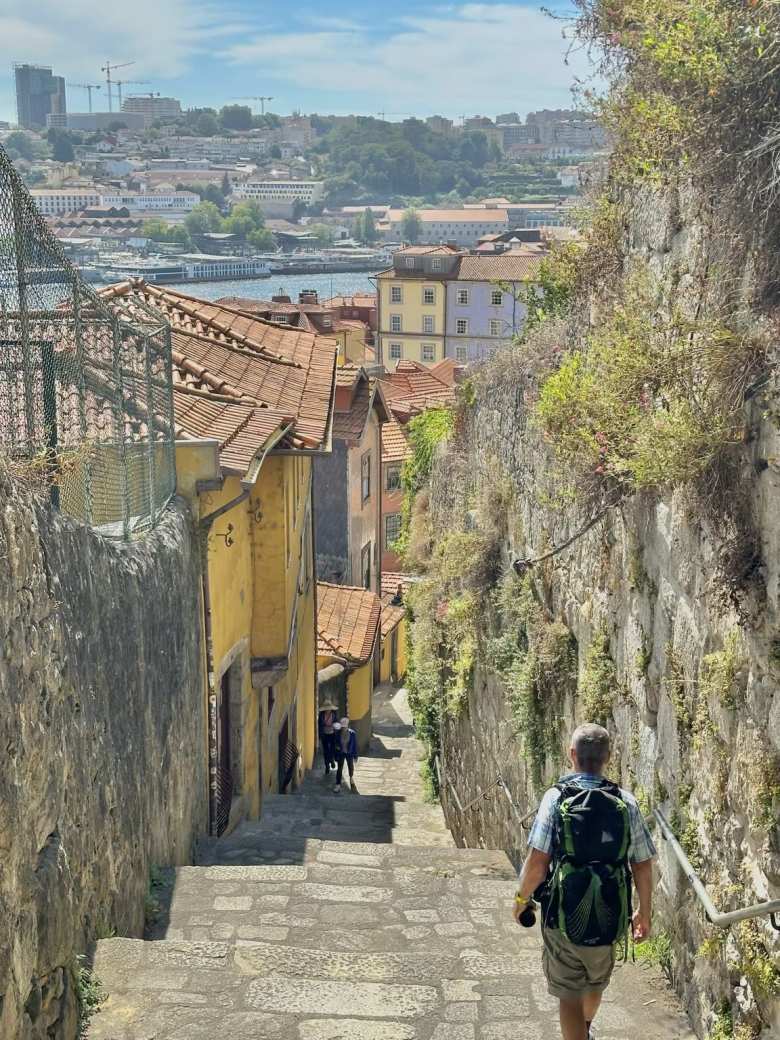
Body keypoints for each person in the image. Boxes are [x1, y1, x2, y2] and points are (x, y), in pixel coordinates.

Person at [512, 723, 656, 1040]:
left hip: (560, 917)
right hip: (610, 913)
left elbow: (537, 864)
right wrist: (644, 913)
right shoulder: (626, 802)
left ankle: (579, 1031)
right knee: (594, 982)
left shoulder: (555, 799)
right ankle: (585, 1028)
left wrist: (521, 900)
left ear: (572, 754)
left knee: (569, 995)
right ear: (608, 757)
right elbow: (643, 865)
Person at [333, 717, 358, 793]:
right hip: (341, 753)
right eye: (342, 727)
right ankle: (338, 784)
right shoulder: (337, 733)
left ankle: (351, 778)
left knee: (350, 766)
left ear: (347, 726)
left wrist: (355, 756)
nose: (343, 728)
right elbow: (335, 743)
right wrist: (337, 748)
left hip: (349, 753)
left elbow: (354, 745)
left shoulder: (352, 733)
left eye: (345, 727)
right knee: (339, 769)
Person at [318, 702, 338, 777]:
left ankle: (332, 760)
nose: (327, 710)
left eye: (329, 709)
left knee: (332, 750)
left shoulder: (334, 715)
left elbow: (337, 723)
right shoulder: (322, 716)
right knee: (326, 751)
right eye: (326, 709)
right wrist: (320, 735)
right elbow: (320, 725)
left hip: (333, 734)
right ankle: (327, 766)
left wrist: (335, 727)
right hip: (325, 735)